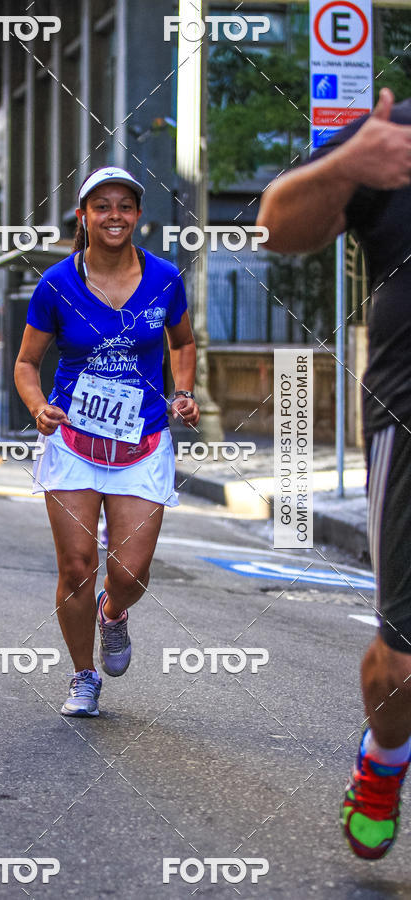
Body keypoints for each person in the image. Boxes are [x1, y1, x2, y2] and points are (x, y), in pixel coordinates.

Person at [257, 87, 411, 860]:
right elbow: (276, 226)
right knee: (403, 664)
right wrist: (349, 163)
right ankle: (385, 755)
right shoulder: (394, 135)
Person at [15, 166, 199, 717]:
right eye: (102, 206)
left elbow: (182, 342)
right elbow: (26, 363)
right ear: (84, 216)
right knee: (77, 567)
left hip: (142, 440)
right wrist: (38, 406)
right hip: (73, 440)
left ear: (137, 215)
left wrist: (184, 391)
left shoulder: (164, 277)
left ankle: (112, 613)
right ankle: (83, 676)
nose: (114, 215)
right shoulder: (56, 283)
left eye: (124, 206)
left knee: (129, 573)